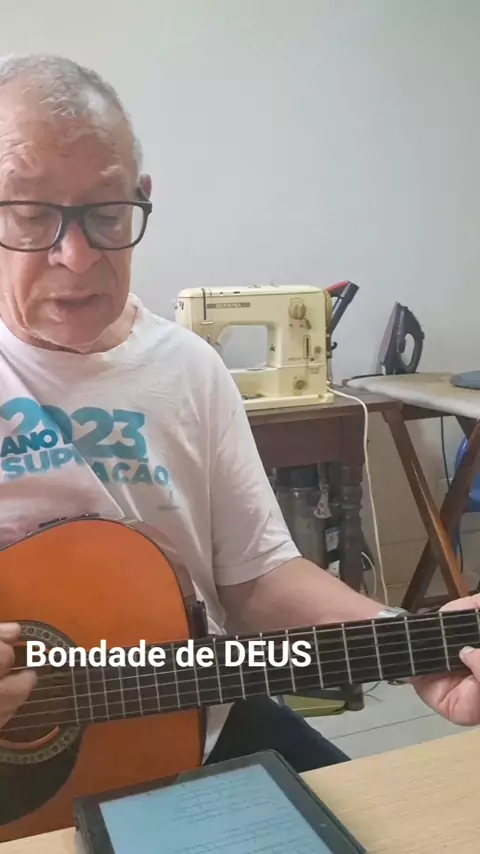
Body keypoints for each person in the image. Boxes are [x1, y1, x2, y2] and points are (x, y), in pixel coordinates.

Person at [0, 53, 478, 775]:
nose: (76, 255)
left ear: (141, 197)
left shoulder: (190, 369)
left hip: (197, 713)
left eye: (105, 213)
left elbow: (254, 578)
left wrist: (408, 642)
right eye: (31, 215)